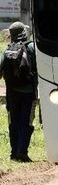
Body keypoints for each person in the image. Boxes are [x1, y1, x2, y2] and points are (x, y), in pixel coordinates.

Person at [0, 22, 37, 162]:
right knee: (26, 122)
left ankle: (13, 153)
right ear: (23, 32)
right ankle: (22, 153)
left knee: (13, 123)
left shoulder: (7, 50)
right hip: (29, 93)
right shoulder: (31, 47)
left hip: (11, 94)